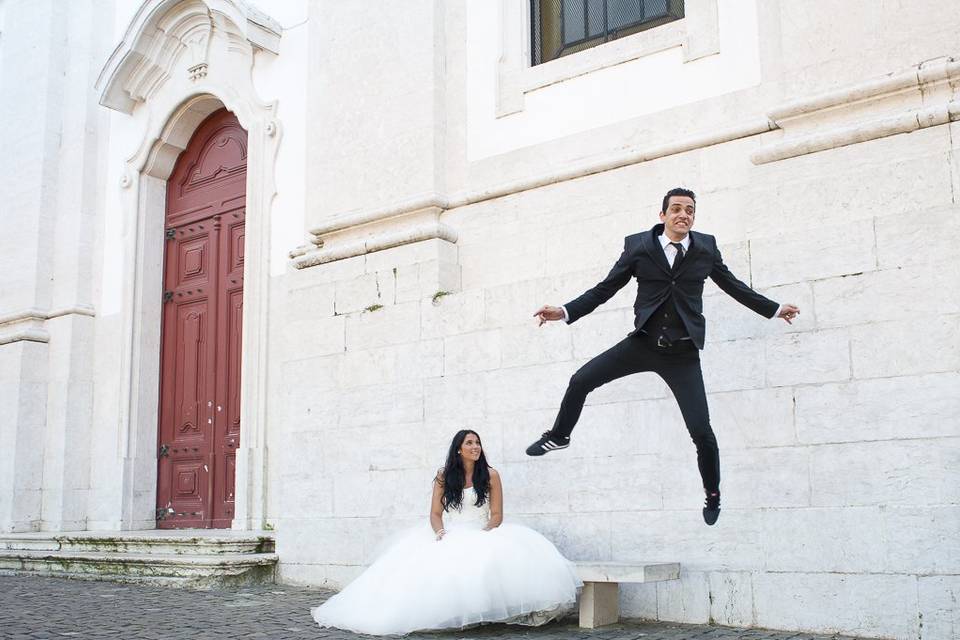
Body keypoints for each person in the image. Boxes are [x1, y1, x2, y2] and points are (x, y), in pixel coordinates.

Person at [526, 187, 800, 526]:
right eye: (676, 209)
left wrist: (774, 310)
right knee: (580, 380)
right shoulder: (638, 247)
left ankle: (712, 494)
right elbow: (604, 289)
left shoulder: (705, 249)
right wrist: (565, 311)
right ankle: (559, 435)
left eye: (689, 210)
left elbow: (733, 286)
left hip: (682, 355)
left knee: (702, 431)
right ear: (663, 215)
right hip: (642, 344)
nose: (683, 214)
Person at [311, 430, 581, 635]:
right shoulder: (443, 476)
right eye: (469, 443)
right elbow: (435, 514)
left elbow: (497, 515)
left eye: (478, 443)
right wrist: (440, 533)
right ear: (458, 450)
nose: (476, 447)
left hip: (483, 530)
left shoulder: (491, 475)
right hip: (451, 531)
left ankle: (487, 612)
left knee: (490, 559)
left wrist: (485, 532)